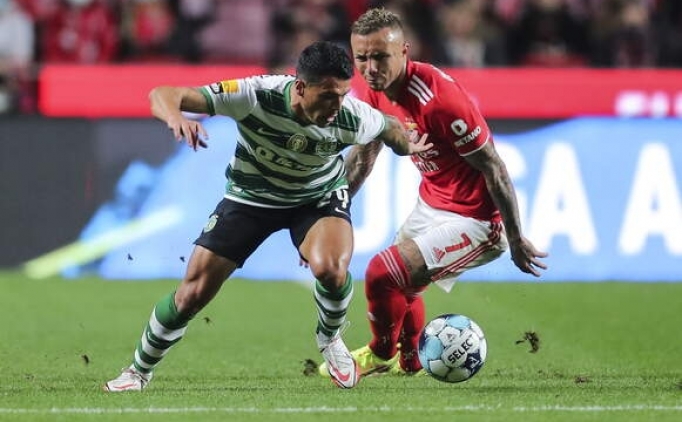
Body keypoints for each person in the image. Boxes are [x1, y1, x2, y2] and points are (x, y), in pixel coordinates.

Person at [103, 40, 432, 392]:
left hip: (316, 198)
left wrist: (408, 145)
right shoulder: (254, 95)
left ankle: (330, 338)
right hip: (250, 198)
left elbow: (389, 127)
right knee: (192, 294)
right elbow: (163, 94)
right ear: (300, 87)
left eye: (341, 95)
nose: (336, 106)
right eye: (327, 96)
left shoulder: (352, 115)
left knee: (332, 269)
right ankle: (138, 371)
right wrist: (175, 118)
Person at [318, 8, 548, 377]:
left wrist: (516, 238)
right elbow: (362, 158)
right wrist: (326, 217)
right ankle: (409, 360)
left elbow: (494, 167)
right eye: (362, 58)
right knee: (402, 287)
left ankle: (380, 352)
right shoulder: (374, 92)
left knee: (381, 272)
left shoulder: (440, 102)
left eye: (380, 57)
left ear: (404, 51)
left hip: (477, 220)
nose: (370, 68)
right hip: (432, 201)